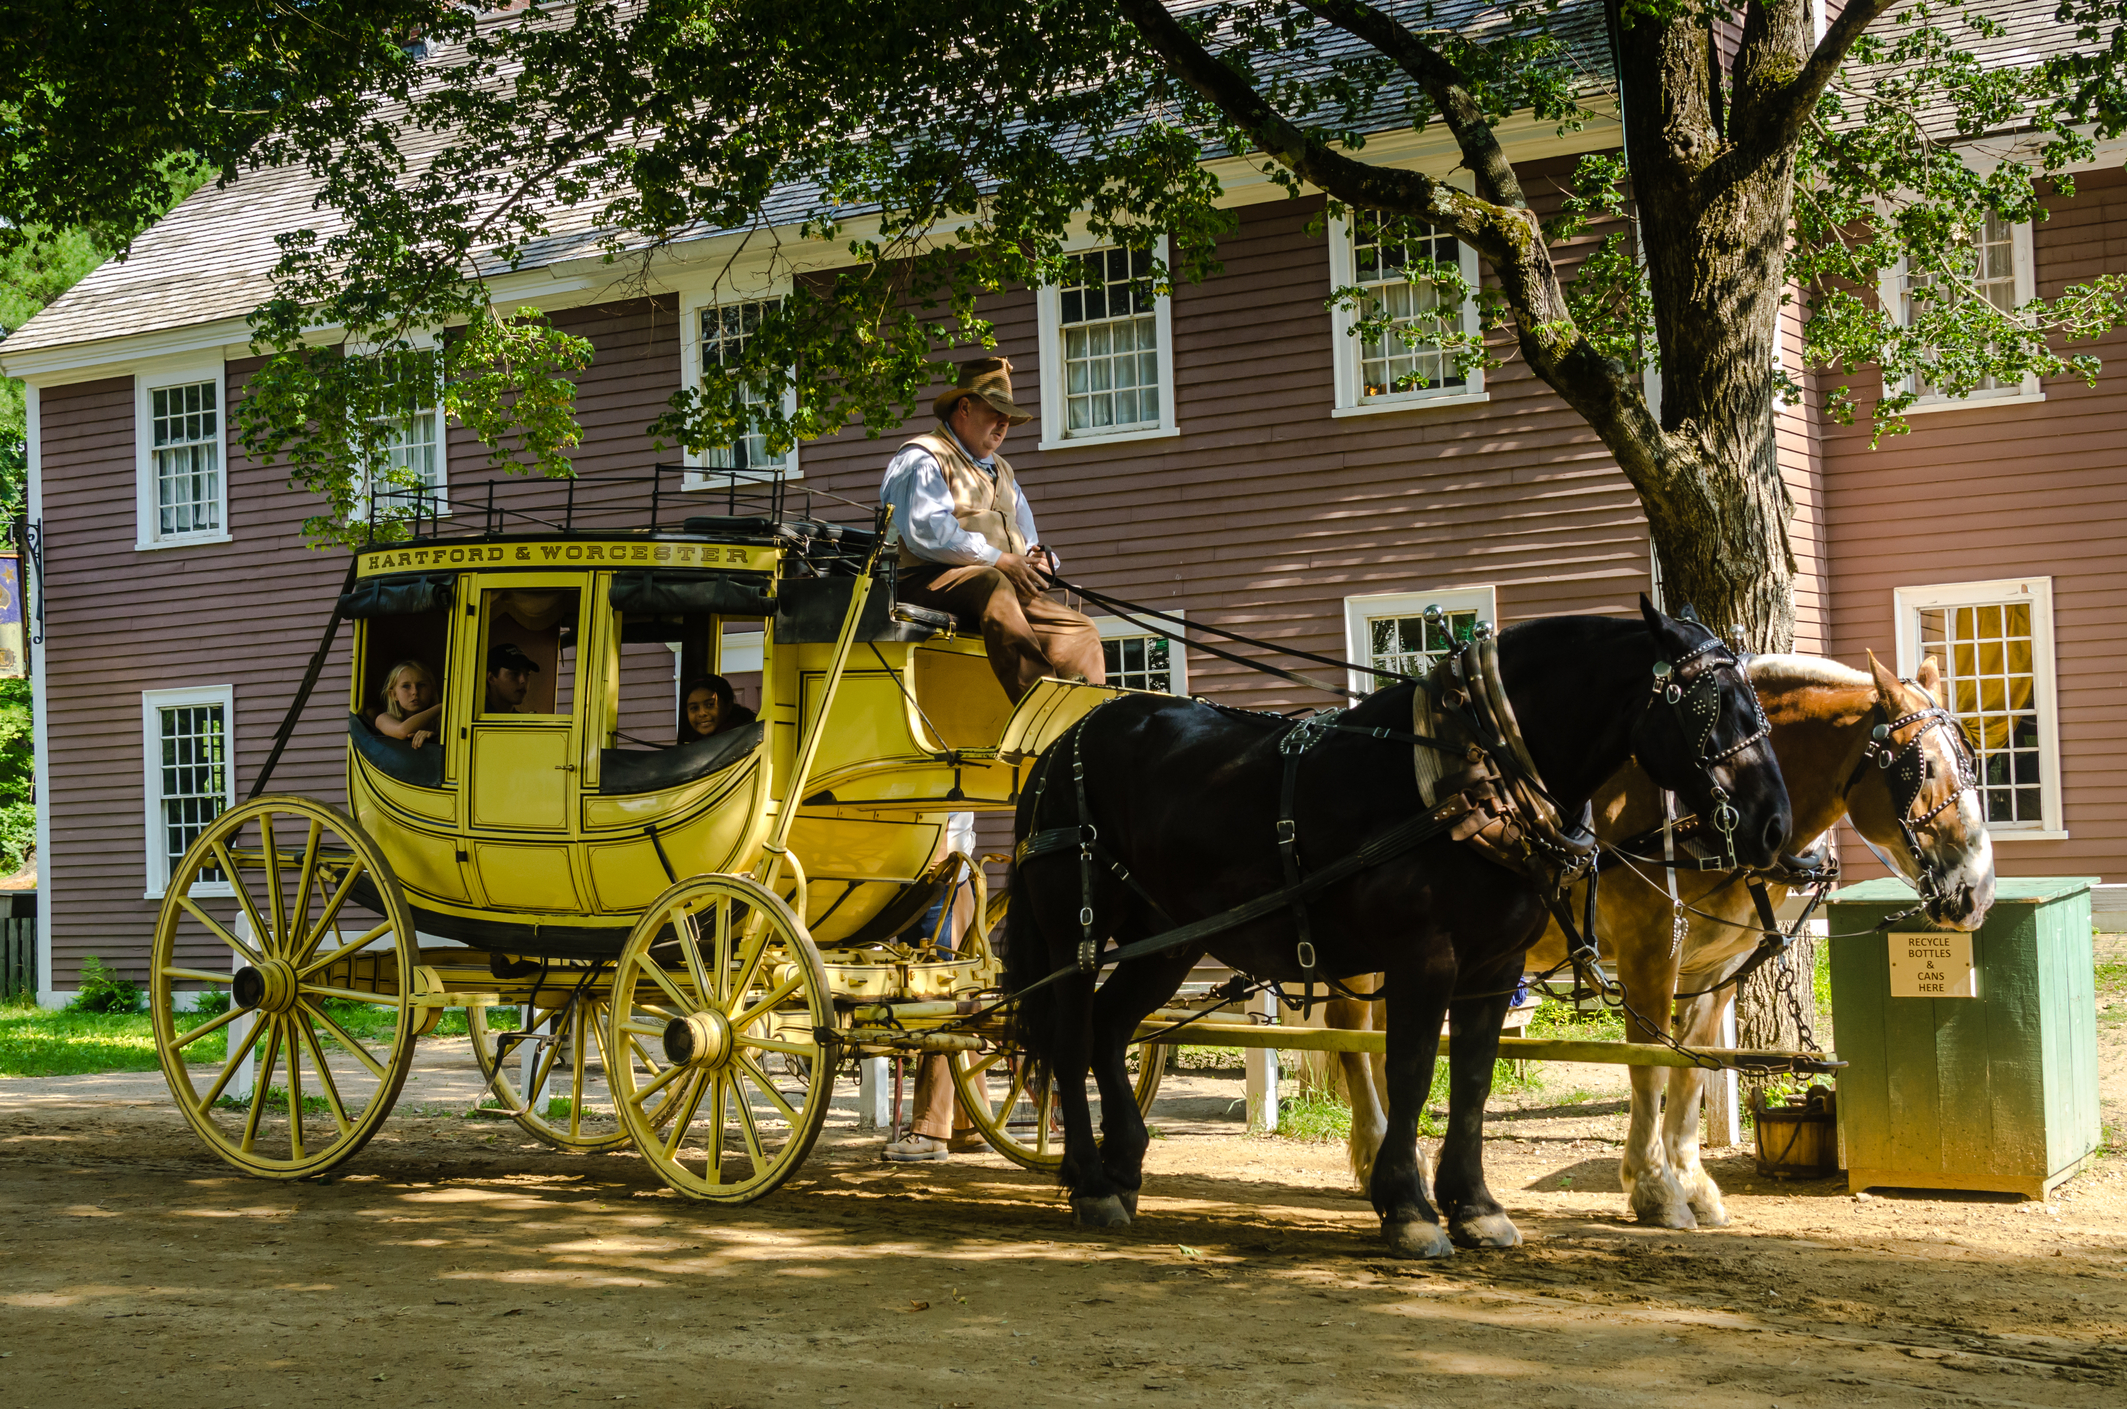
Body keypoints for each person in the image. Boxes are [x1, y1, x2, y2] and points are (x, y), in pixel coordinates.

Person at [880, 357, 1105, 702]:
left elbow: (1026, 537)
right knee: (993, 583)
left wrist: (1038, 560)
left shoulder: (1003, 471)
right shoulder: (923, 456)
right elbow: (928, 534)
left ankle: (1086, 716)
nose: (1003, 424)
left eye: (1009, 418)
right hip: (922, 581)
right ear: (965, 407)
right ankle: (1038, 706)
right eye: (995, 412)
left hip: (994, 583)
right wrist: (998, 560)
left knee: (1080, 629)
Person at [881, 812, 988, 1163]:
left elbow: (937, 823)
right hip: (960, 880)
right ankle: (969, 1122)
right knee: (961, 998)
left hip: (936, 881)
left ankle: (929, 1130)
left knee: (939, 999)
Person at [373, 659, 442, 749]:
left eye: (421, 685)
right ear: (393, 694)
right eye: (406, 686)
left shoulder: (442, 722)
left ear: (432, 691)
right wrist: (443, 706)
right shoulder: (383, 719)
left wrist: (435, 737)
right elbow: (402, 731)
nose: (415, 692)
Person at [678, 673, 758, 744]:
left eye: (709, 705)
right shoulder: (699, 740)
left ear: (728, 706)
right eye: (694, 708)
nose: (702, 713)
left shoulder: (735, 739)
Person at [485, 642, 538, 714]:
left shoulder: (521, 723)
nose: (523, 680)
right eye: (514, 673)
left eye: (527, 674)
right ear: (491, 678)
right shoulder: (471, 716)